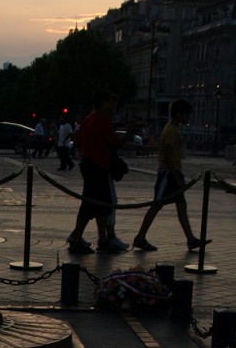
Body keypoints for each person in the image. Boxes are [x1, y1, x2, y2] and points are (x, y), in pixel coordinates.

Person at [132, 98, 207, 253]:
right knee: (156, 205)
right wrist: (176, 176)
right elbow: (167, 155)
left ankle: (191, 239)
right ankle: (140, 237)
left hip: (172, 173)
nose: (188, 119)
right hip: (168, 174)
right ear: (179, 114)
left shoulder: (172, 129)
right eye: (186, 115)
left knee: (181, 206)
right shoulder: (172, 131)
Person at [66, 88, 126, 254]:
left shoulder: (88, 119)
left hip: (88, 165)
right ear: (103, 102)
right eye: (110, 102)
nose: (113, 107)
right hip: (98, 167)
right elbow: (115, 143)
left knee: (100, 204)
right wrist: (129, 134)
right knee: (93, 204)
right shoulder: (102, 120)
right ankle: (76, 237)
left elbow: (77, 141)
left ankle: (103, 238)